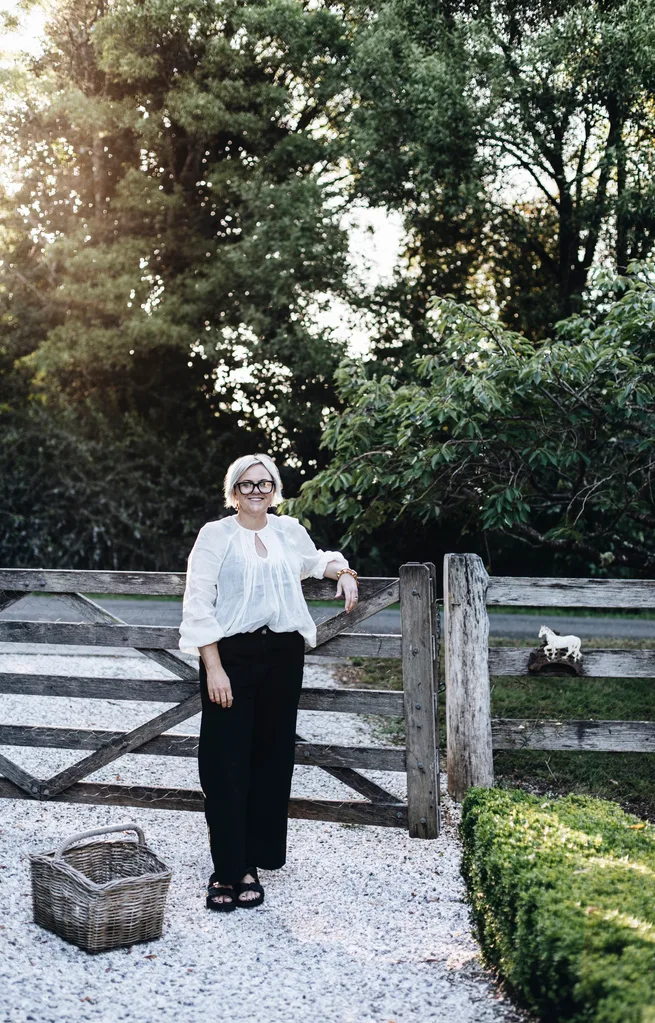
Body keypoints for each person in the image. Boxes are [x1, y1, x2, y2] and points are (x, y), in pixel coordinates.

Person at [179, 453, 358, 911]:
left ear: (274, 489)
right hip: (231, 658)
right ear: (233, 490)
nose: (256, 491)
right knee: (223, 763)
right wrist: (213, 666)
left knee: (271, 758)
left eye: (264, 484)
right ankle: (227, 869)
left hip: (282, 655)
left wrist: (344, 572)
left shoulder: (287, 531)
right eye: (246, 484)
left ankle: (253, 860)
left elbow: (316, 562)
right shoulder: (215, 535)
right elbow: (198, 602)